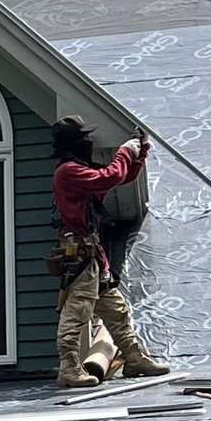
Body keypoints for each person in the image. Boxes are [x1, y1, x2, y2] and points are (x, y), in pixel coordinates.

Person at [50, 118, 167, 382]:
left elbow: (120, 177)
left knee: (116, 311)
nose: (89, 143)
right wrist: (126, 151)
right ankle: (69, 369)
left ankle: (134, 360)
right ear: (73, 143)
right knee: (77, 310)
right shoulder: (68, 172)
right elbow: (111, 175)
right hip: (80, 255)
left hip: (92, 256)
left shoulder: (80, 175)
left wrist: (140, 151)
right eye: (84, 138)